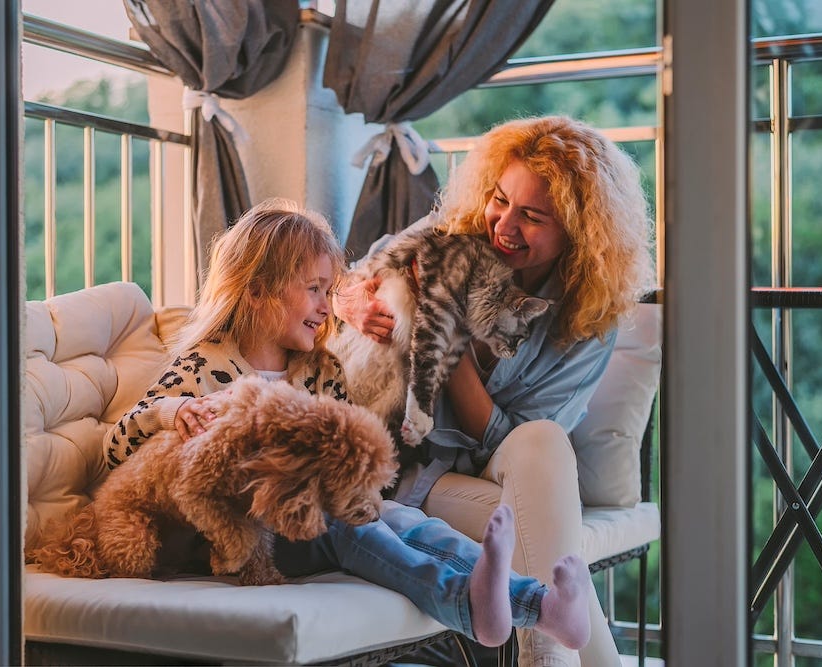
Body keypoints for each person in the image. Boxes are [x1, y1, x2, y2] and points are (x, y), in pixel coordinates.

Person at [103, 197, 594, 651]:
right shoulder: (202, 365)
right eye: (314, 290)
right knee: (346, 526)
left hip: (306, 519)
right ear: (256, 291)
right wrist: (172, 412)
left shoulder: (321, 370)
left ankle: (540, 605)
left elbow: (345, 466)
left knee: (403, 518)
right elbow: (117, 449)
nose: (325, 305)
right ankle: (468, 606)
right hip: (240, 540)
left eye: (329, 290)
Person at [335, 116, 655, 667]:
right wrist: (350, 302)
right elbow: (346, 278)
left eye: (532, 216)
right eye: (500, 201)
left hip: (484, 468)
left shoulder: (588, 321)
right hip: (404, 467)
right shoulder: (449, 237)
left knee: (544, 441)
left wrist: (445, 334)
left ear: (578, 234)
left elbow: (499, 441)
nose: (504, 225)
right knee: (553, 544)